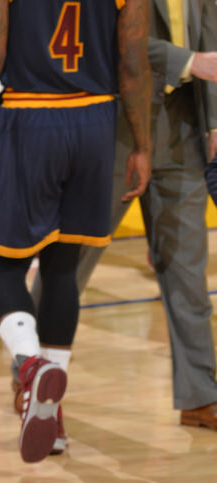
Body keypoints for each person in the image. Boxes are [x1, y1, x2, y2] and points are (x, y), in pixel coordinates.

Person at [0, 0, 151, 461]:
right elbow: (133, 62)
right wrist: (142, 144)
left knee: (2, 268)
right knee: (62, 269)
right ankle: (51, 412)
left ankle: (30, 367)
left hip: (31, 117)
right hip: (96, 122)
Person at [72, 0, 217, 431]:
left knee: (188, 266)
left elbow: (212, 42)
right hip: (116, 127)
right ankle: (33, 363)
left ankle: (200, 395)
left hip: (183, 127)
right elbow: (109, 39)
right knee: (76, 257)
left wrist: (214, 128)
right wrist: (188, 61)